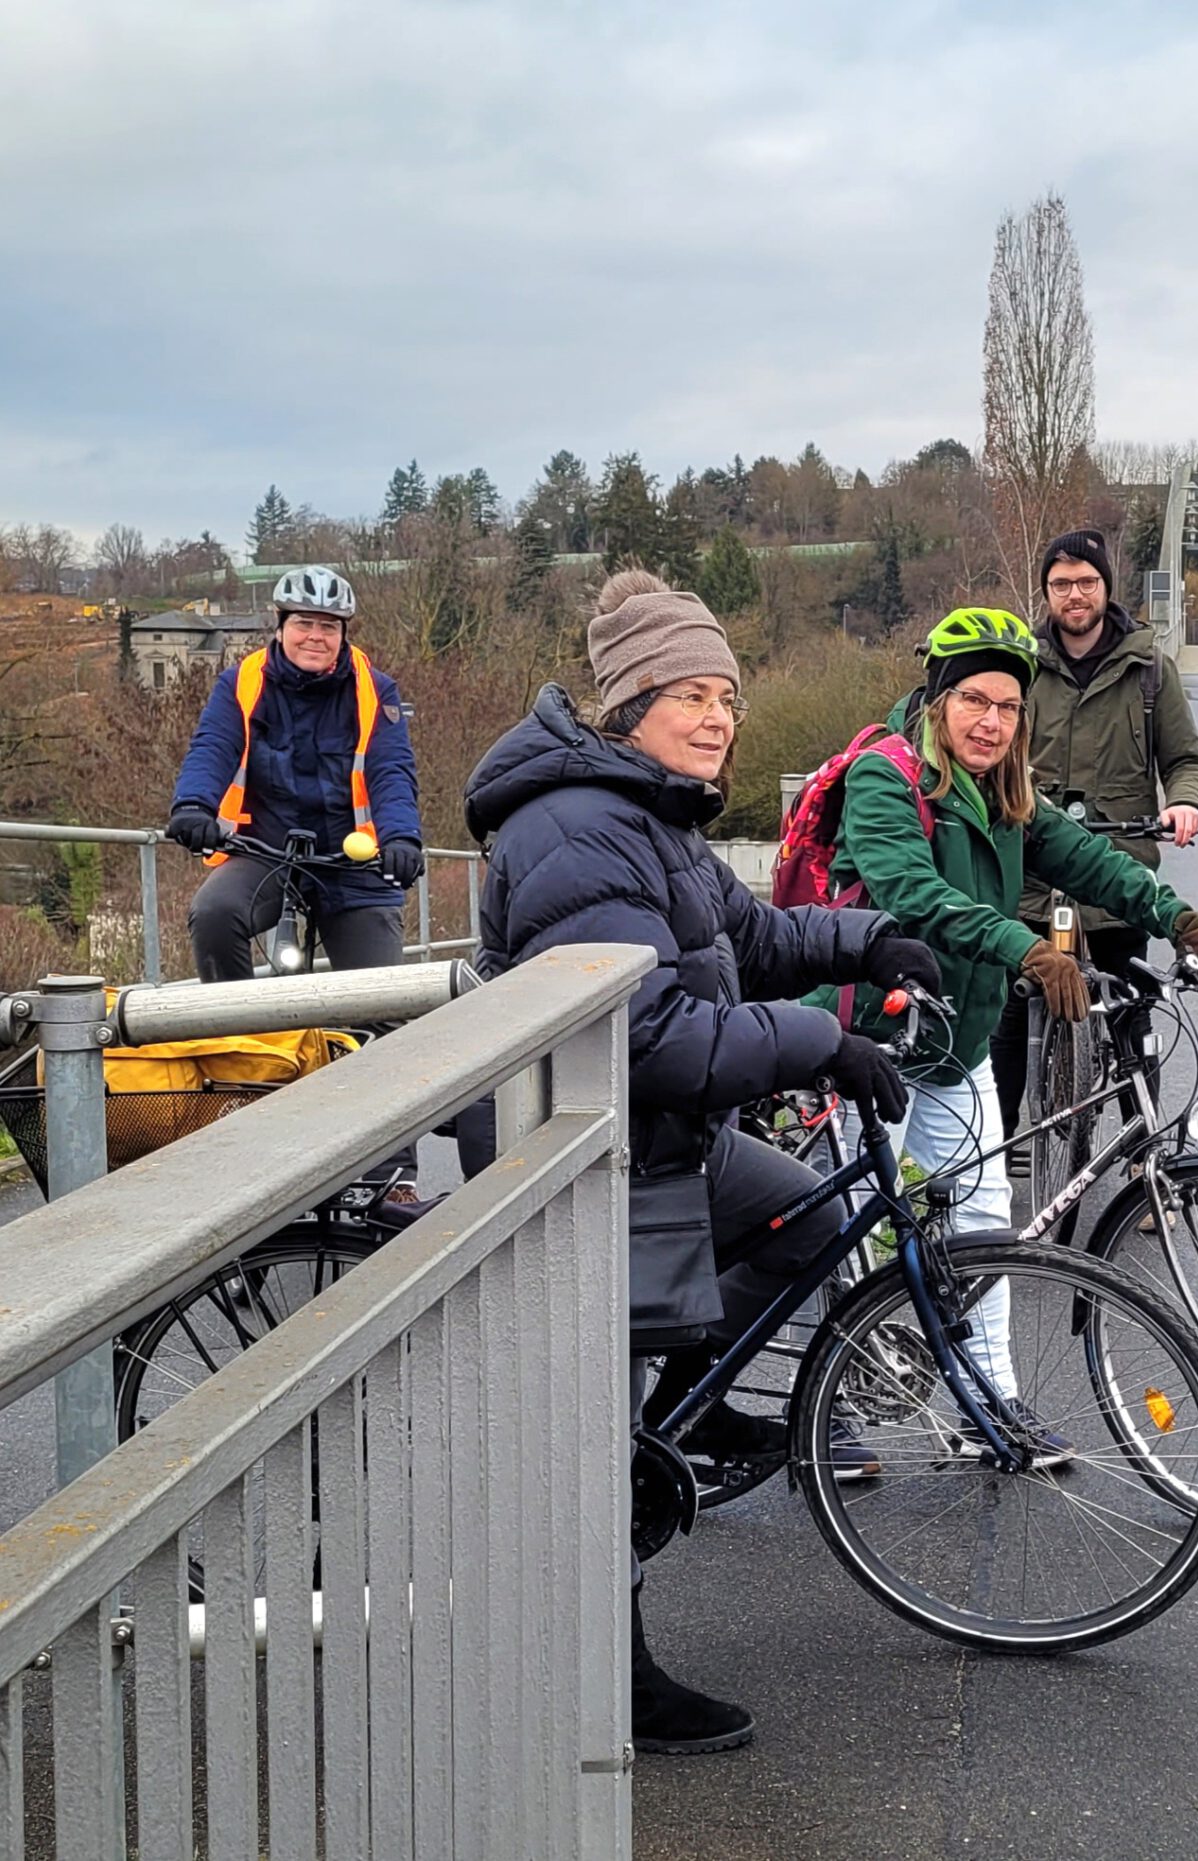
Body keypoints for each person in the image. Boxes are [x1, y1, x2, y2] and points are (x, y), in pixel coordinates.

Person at [465, 570, 937, 1757]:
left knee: (809, 1217)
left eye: (727, 693)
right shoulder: (576, 828)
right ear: (628, 706)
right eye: (691, 693)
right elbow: (654, 1034)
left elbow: (748, 938)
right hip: (587, 1158)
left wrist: (863, 935)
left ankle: (692, 1402)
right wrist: (826, 1042)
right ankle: (609, 1672)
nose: (720, 715)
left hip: (662, 1139)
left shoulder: (646, 813)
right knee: (596, 1438)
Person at [828, 607, 1198, 1442]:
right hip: (868, 1036)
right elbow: (912, 892)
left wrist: (1180, 917)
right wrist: (1025, 947)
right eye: (975, 701)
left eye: (1009, 707)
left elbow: (1087, 858)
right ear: (939, 699)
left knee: (985, 1228)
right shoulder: (885, 775)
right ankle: (832, 1407)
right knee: (848, 1233)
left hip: (956, 1044)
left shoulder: (1005, 789)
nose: (991, 721)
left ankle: (993, 1403)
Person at [989, 529, 1198, 1137]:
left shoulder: (1149, 671)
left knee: (1130, 1016)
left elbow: (1186, 761)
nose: (1075, 595)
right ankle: (998, 1150)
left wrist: (1185, 805)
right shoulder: (1021, 667)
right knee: (1009, 1015)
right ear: (1046, 593)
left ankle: (1148, 1153)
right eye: (1061, 584)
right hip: (1033, 876)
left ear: (1106, 587)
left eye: (1086, 582)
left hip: (1117, 876)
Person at [167, 566, 424, 980]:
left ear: (343, 634)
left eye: (328, 627)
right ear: (281, 626)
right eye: (304, 623)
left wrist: (401, 838)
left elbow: (391, 769)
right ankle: (238, 1033)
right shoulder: (241, 683)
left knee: (379, 1001)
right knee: (214, 915)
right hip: (265, 851)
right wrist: (194, 806)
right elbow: (213, 747)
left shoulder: (375, 690)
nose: (315, 637)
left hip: (352, 862)